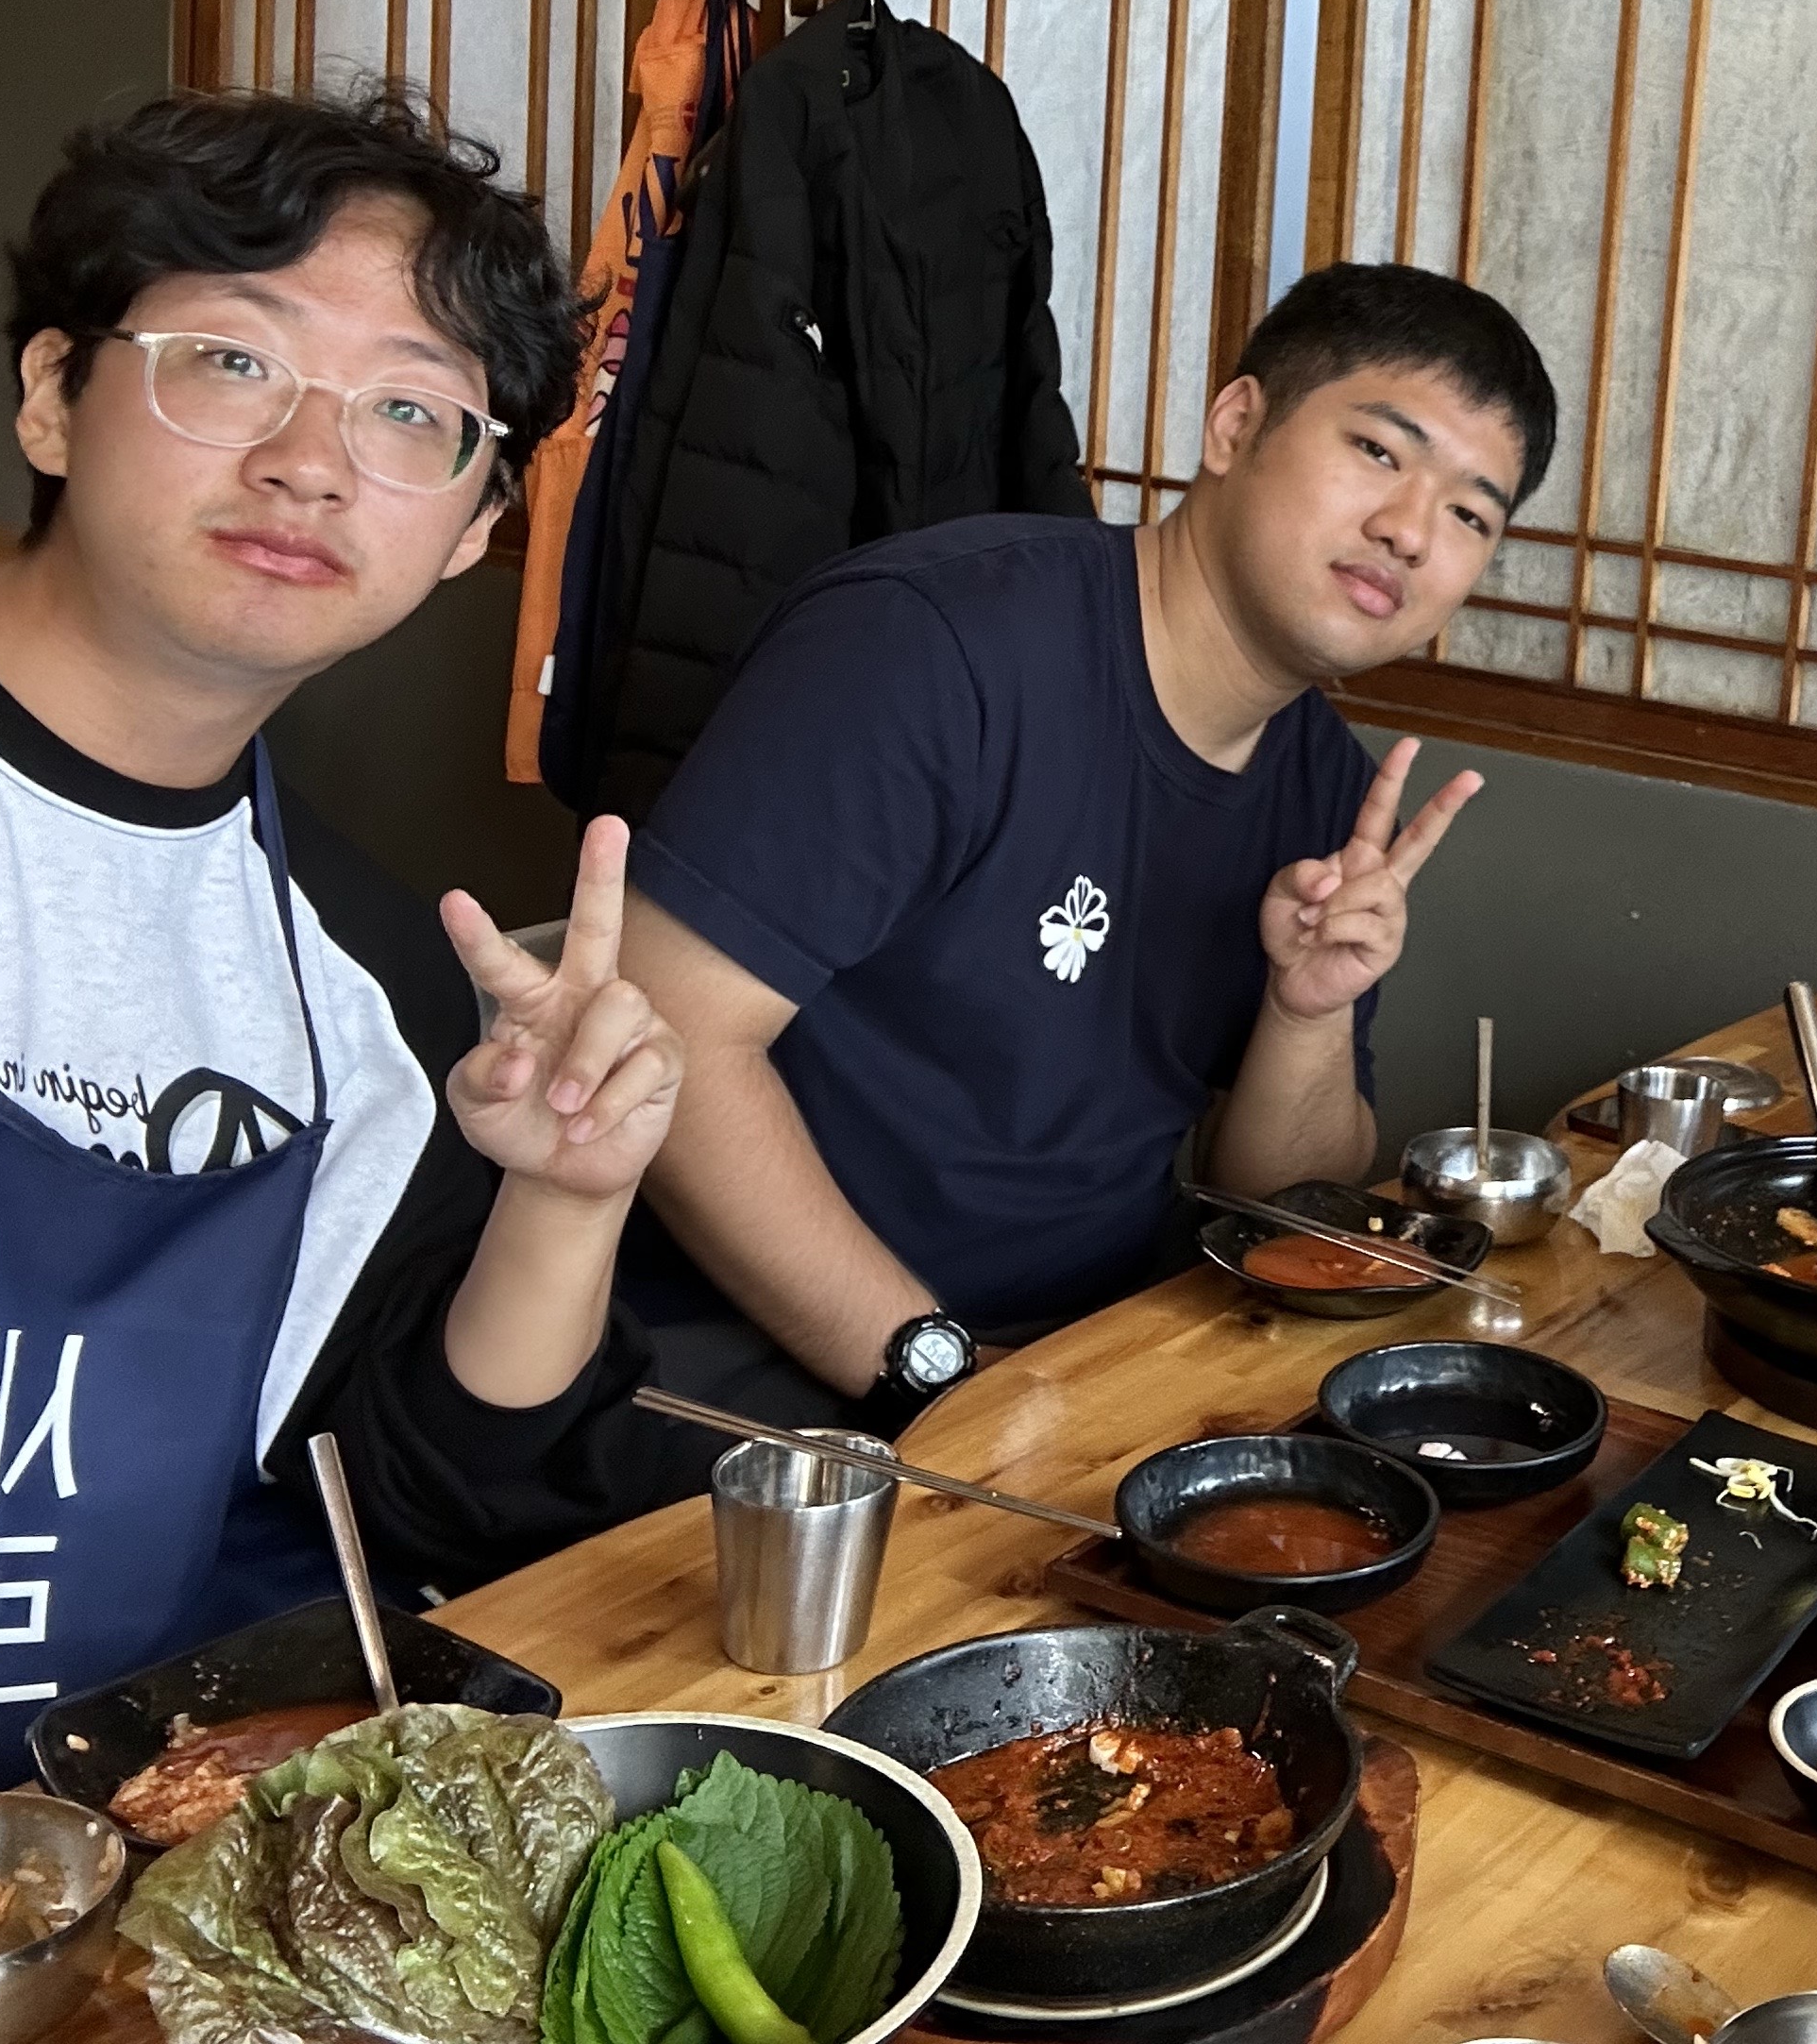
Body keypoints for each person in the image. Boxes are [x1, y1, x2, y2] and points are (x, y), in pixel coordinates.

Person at [0, 88, 709, 1845]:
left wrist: (567, 1196)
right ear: (53, 396)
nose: (310, 460)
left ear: (476, 527)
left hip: (93, 1874)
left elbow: (428, 1501)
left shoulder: (375, 980)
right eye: (232, 361)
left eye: (411, 412)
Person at [617, 262, 1555, 1428]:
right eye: (1377, 450)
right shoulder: (931, 647)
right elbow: (671, 1040)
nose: (1410, 531)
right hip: (755, 1361)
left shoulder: (1328, 788)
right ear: (1236, 425)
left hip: (1092, 1354)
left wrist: (1305, 1014)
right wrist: (944, 1378)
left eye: (1470, 514)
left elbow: (1277, 1202)